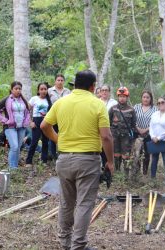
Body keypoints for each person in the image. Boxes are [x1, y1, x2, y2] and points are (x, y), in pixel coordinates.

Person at [40, 70, 114, 250]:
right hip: (88, 160)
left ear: (74, 84)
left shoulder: (61, 102)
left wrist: (59, 140)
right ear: (92, 86)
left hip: (64, 159)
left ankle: (65, 242)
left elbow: (44, 126)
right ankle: (78, 245)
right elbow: (106, 137)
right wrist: (110, 162)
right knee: (85, 203)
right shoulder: (97, 105)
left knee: (66, 201)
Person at [0, 81, 30, 169]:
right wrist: (6, 121)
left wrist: (26, 121)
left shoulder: (23, 101)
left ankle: (15, 166)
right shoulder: (7, 100)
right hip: (10, 127)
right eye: (16, 89)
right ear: (11, 89)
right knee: (14, 146)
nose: (18, 90)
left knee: (18, 147)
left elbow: (28, 112)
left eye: (20, 89)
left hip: (21, 127)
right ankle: (11, 167)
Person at [109, 87, 137, 176]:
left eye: (124, 96)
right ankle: (116, 174)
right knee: (116, 155)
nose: (122, 98)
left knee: (126, 156)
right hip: (114, 136)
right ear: (118, 97)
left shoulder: (131, 110)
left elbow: (133, 124)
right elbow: (108, 123)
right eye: (120, 96)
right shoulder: (113, 109)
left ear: (127, 97)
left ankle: (125, 175)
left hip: (126, 137)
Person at [25, 82, 51, 167]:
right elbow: (26, 111)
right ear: (38, 90)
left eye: (45, 89)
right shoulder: (34, 98)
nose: (43, 91)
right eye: (41, 89)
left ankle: (44, 160)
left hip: (46, 122)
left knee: (45, 142)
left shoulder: (49, 100)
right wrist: (30, 122)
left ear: (47, 90)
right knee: (34, 142)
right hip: (36, 121)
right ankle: (28, 161)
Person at [149, 97, 165, 182]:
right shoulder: (154, 114)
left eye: (162, 102)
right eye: (159, 103)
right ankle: (152, 179)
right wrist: (153, 136)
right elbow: (151, 127)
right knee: (154, 160)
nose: (160, 104)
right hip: (154, 140)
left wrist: (159, 138)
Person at [48, 74, 70, 159]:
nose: (60, 82)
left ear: (64, 81)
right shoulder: (50, 91)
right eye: (58, 80)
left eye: (61, 80)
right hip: (53, 116)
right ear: (55, 81)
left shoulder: (67, 91)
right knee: (53, 134)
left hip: (64, 117)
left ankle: (63, 154)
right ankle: (52, 155)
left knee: (64, 135)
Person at [133, 90, 156, 175]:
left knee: (146, 154)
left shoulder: (154, 109)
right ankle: (137, 171)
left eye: (147, 97)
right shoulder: (136, 107)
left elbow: (155, 122)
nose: (145, 99)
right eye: (144, 97)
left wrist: (146, 129)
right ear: (141, 98)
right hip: (137, 133)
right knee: (137, 153)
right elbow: (133, 119)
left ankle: (145, 172)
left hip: (149, 134)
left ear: (150, 98)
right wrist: (138, 128)